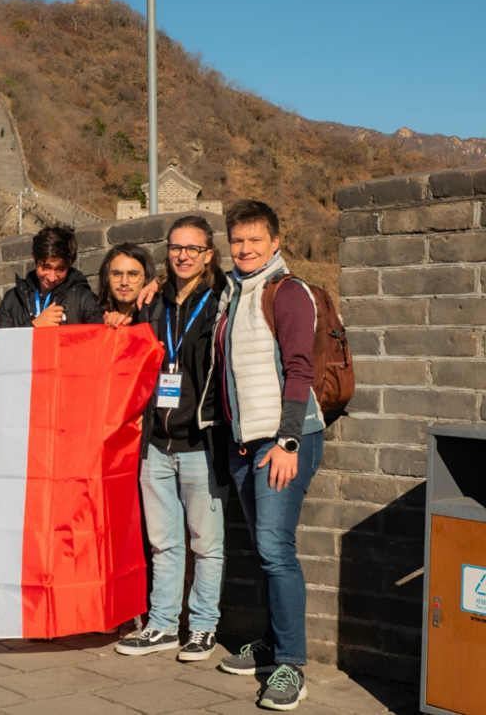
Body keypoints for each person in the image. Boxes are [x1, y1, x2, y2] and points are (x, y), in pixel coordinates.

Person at [214, 200, 324, 711]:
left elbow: (299, 370)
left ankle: (291, 665)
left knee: (277, 549)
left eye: (255, 240)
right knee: (264, 550)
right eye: (238, 240)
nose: (245, 248)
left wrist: (288, 442)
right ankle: (271, 644)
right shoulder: (233, 295)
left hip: (283, 440)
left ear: (275, 242)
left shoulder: (288, 291)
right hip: (245, 442)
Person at [113, 217, 231, 664]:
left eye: (192, 248)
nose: (182, 255)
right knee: (163, 542)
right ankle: (162, 624)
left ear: (208, 255)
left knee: (207, 544)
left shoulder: (220, 300)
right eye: (175, 247)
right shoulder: (154, 301)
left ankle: (202, 627)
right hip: (155, 444)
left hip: (201, 443)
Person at [0, 225, 102, 328]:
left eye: (60, 269)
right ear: (34, 257)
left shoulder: (84, 300)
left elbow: (102, 339)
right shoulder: (12, 298)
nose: (52, 278)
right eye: (46, 267)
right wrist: (33, 326)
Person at [96, 243, 156, 323]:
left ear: (146, 277)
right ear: (106, 278)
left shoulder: (156, 315)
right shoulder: (96, 317)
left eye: (133, 274)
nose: (124, 282)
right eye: (117, 274)